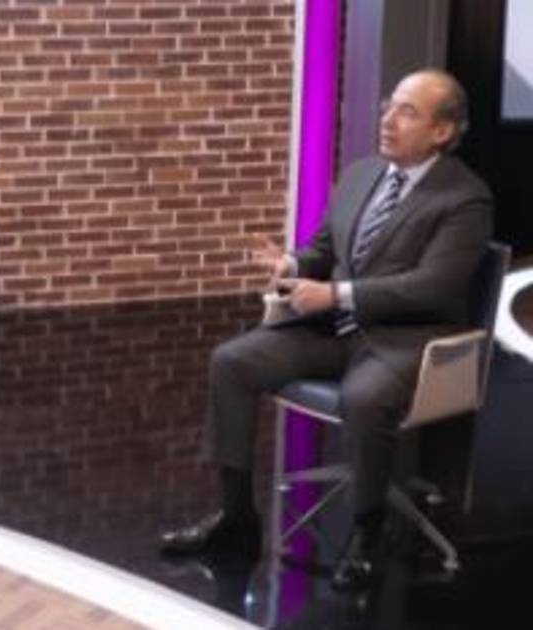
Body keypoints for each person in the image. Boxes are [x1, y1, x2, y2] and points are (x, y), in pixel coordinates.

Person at [158, 69, 493, 592]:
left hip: (407, 338)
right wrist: (291, 264)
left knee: (365, 398)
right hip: (336, 330)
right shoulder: (361, 174)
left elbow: (433, 286)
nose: (387, 119)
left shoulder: (465, 198)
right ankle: (236, 518)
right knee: (232, 361)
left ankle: (366, 534)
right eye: (388, 106)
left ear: (442, 132)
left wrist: (336, 294)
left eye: (406, 112)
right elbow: (324, 250)